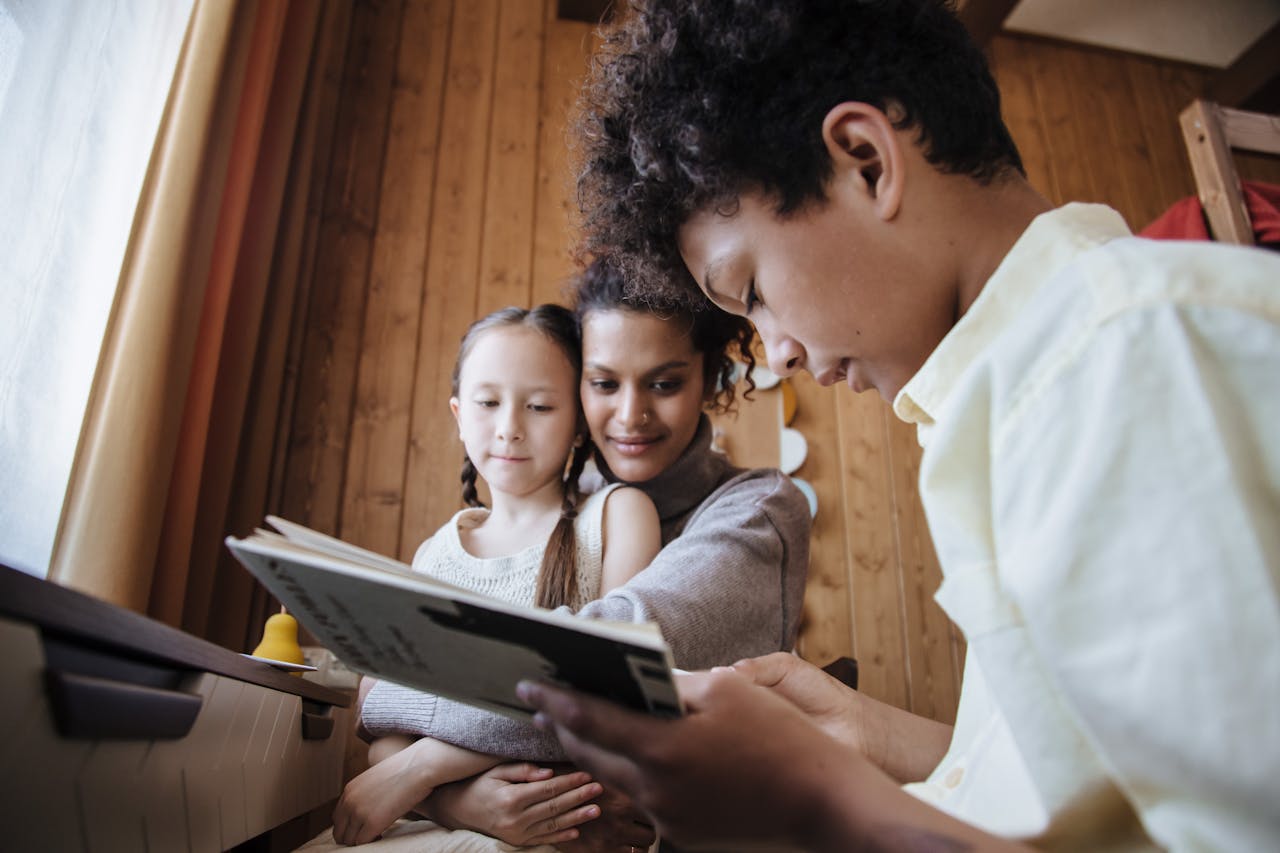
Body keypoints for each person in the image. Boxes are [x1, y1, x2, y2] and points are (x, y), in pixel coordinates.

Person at [517, 1, 1280, 851]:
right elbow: (1084, 793)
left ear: (867, 163)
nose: (778, 353)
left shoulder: (1121, 358)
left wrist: (819, 802)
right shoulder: (1024, 392)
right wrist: (864, 741)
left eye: (754, 291)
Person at [346, 261, 813, 850]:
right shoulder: (556, 514)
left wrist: (411, 738)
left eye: (665, 383)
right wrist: (457, 800)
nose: (629, 416)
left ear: (710, 378)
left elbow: (605, 662)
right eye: (603, 383)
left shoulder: (755, 510)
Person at [328, 304, 663, 846]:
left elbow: (605, 696)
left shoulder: (617, 517)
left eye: (538, 406)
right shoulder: (434, 557)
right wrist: (461, 806)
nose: (509, 429)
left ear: (578, 422)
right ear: (459, 415)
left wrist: (430, 767)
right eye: (488, 403)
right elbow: (386, 728)